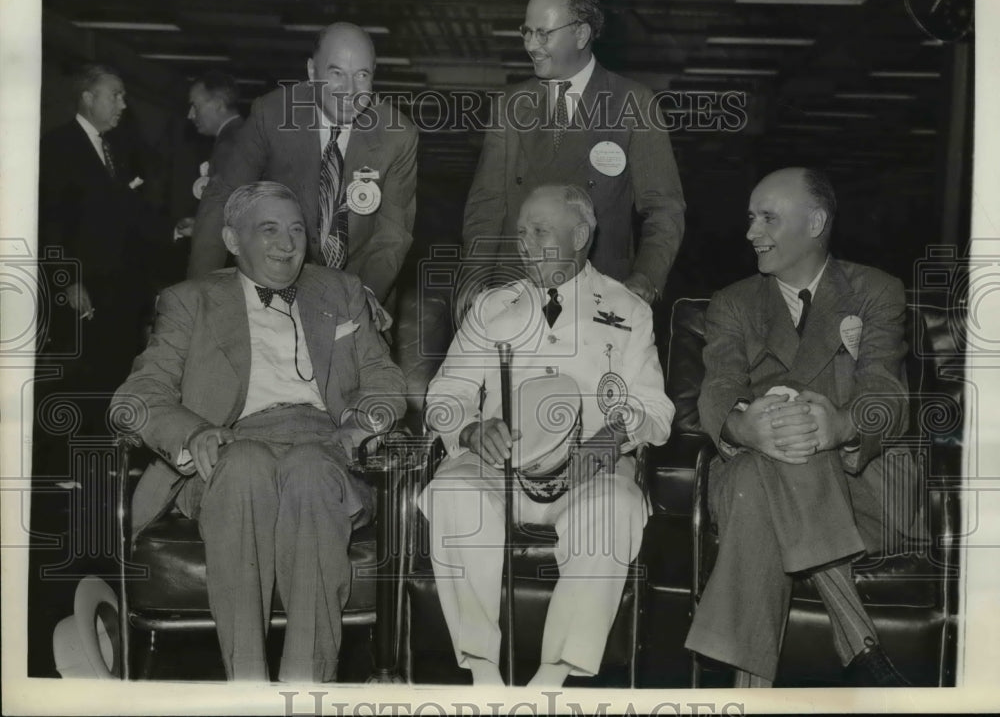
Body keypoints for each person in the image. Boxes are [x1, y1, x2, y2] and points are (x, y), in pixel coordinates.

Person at [112, 182, 406, 682]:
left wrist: (361, 427)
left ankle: (306, 686)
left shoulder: (341, 291)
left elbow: (385, 383)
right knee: (246, 463)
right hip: (226, 450)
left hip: (325, 447)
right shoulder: (189, 302)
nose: (287, 244)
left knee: (310, 470)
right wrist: (194, 433)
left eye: (296, 230)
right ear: (231, 238)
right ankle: (246, 686)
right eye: (268, 229)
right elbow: (134, 398)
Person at [421, 184, 674, 687]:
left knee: (615, 507)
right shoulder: (492, 307)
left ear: (581, 235)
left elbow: (656, 412)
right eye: (521, 232)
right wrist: (471, 429)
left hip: (587, 470)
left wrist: (615, 436)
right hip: (497, 468)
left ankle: (553, 679)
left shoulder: (628, 309)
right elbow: (443, 396)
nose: (525, 243)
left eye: (540, 231)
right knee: (451, 490)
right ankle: (483, 673)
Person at [683, 167, 917, 686]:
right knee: (775, 456)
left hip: (861, 489)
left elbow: (885, 394)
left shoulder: (875, 291)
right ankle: (858, 642)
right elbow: (719, 388)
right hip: (761, 477)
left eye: (767, 218)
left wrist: (838, 425)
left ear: (815, 222)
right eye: (750, 218)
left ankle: (749, 694)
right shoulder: (733, 302)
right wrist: (745, 430)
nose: (751, 233)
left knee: (774, 464)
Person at [461, 0, 685, 306]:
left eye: (543, 33)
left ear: (581, 34)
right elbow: (486, 205)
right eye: (526, 32)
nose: (531, 45)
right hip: (516, 291)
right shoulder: (511, 104)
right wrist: (475, 278)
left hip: (601, 293)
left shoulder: (633, 103)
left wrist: (647, 275)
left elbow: (665, 209)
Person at [186, 23, 418, 312]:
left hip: (359, 288)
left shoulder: (397, 136)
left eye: (362, 75)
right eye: (336, 74)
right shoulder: (271, 115)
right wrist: (197, 294)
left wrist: (364, 298)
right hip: (274, 285)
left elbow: (391, 235)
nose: (350, 90)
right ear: (311, 72)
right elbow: (223, 197)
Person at [38, 62, 180, 395]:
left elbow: (128, 212)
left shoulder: (113, 148)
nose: (123, 105)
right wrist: (69, 279)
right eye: (115, 96)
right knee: (89, 374)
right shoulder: (58, 146)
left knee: (117, 366)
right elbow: (50, 222)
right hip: (86, 287)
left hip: (121, 284)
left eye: (124, 97)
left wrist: (174, 230)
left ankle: (115, 438)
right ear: (88, 98)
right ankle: (89, 440)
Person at [187, 69, 244, 188]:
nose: (190, 114)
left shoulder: (229, 145)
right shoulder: (245, 135)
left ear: (219, 104)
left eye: (195, 106)